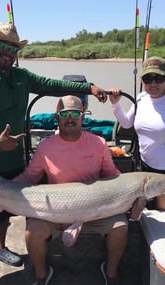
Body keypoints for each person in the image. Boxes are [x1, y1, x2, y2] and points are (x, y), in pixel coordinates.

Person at [0, 22, 108, 285]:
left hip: (13, 160)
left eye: (13, 48)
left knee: (5, 211)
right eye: (2, 45)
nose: (8, 52)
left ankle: (0, 248)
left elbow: (51, 85)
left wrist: (89, 88)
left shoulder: (21, 77)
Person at [14, 95, 131, 285]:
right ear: (57, 118)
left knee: (120, 227)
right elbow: (29, 178)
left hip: (95, 210)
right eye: (65, 114)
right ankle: (41, 276)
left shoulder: (98, 143)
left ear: (83, 117)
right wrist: (0, 189)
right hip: (55, 212)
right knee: (32, 231)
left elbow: (113, 176)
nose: (70, 118)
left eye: (75, 114)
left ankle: (111, 274)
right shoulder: (45, 147)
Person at [109, 56, 165, 211]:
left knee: (163, 210)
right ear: (142, 80)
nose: (153, 84)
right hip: (145, 167)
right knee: (147, 208)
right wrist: (115, 103)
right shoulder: (141, 99)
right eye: (148, 78)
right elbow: (126, 123)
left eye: (158, 78)